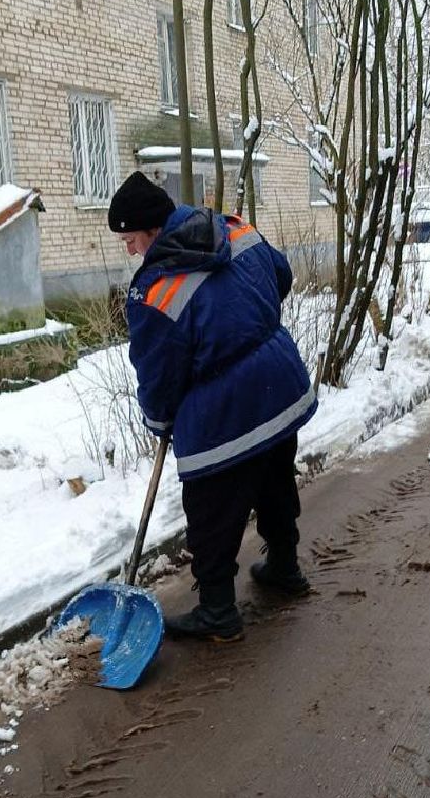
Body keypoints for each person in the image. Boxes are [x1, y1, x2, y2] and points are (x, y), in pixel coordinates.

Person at [108, 170, 317, 642]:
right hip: (280, 384)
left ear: (154, 230)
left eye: (132, 239)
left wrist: (159, 420)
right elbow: (280, 275)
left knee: (211, 509)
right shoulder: (236, 229)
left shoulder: (154, 293)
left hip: (226, 410)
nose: (130, 250)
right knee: (274, 480)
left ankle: (219, 612)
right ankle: (285, 568)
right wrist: (248, 321)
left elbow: (158, 373)